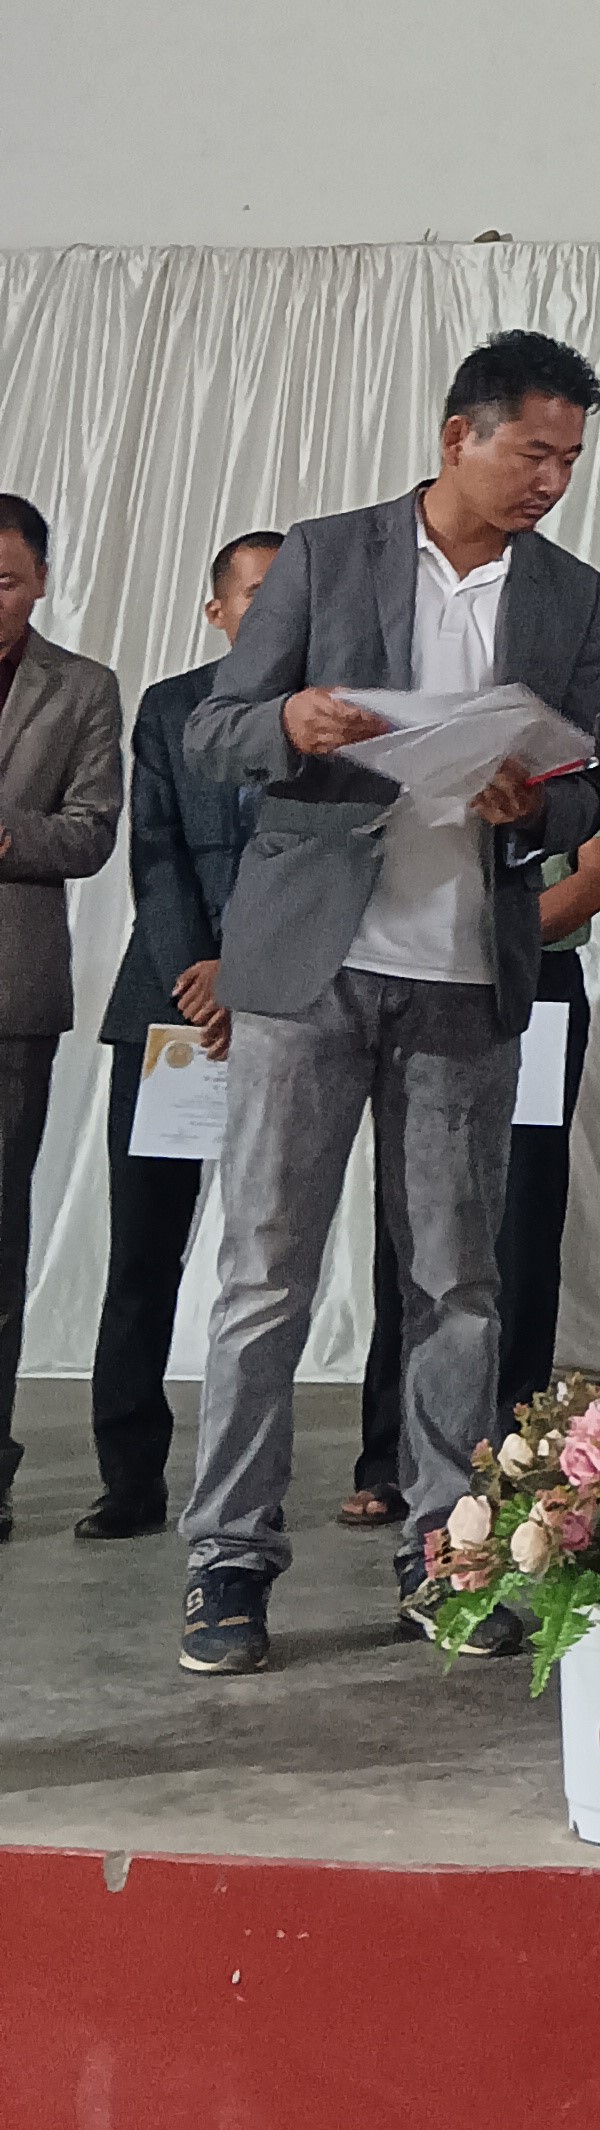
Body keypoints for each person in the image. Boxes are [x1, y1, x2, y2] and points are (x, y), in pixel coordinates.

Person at [175, 331, 600, 1675]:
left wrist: (535, 804)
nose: (551, 480)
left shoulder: (571, 594)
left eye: (570, 460)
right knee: (265, 1275)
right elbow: (213, 731)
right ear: (455, 437)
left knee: (457, 1288)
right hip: (313, 970)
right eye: (532, 452)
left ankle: (449, 1551)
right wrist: (291, 723)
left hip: (467, 972)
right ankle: (229, 1560)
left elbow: (596, 784)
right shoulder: (326, 554)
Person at [346, 794, 600, 1527]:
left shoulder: (593, 763)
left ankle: (511, 1444)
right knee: (412, 1216)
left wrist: (493, 940)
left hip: (537, 982)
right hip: (433, 980)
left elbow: (594, 880)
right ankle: (390, 1456)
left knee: (525, 1216)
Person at [77, 530, 280, 1540]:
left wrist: (249, 972)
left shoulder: (332, 714)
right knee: (144, 1254)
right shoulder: (169, 707)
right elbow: (152, 853)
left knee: (272, 1254)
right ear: (217, 610)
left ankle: (253, 1478)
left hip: (291, 1007)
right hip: (169, 1009)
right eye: (255, 594)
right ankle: (130, 1476)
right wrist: (200, 970)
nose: (273, 611)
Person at [0, 494, 127, 1545]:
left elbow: (89, 836)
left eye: (4, 581)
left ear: (41, 580)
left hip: (10, 997)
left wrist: (3, 836)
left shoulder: (81, 688)